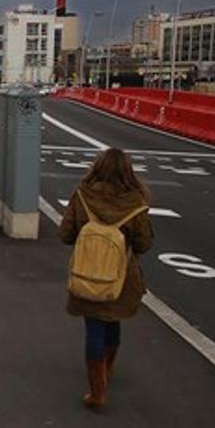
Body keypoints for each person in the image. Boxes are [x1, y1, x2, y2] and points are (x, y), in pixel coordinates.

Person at [58, 148, 154, 412]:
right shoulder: (136, 202)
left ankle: (97, 389)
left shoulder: (83, 196)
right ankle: (108, 367)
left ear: (96, 168)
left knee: (94, 327)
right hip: (121, 276)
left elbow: (65, 234)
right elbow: (144, 244)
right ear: (128, 172)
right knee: (112, 318)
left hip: (87, 271)